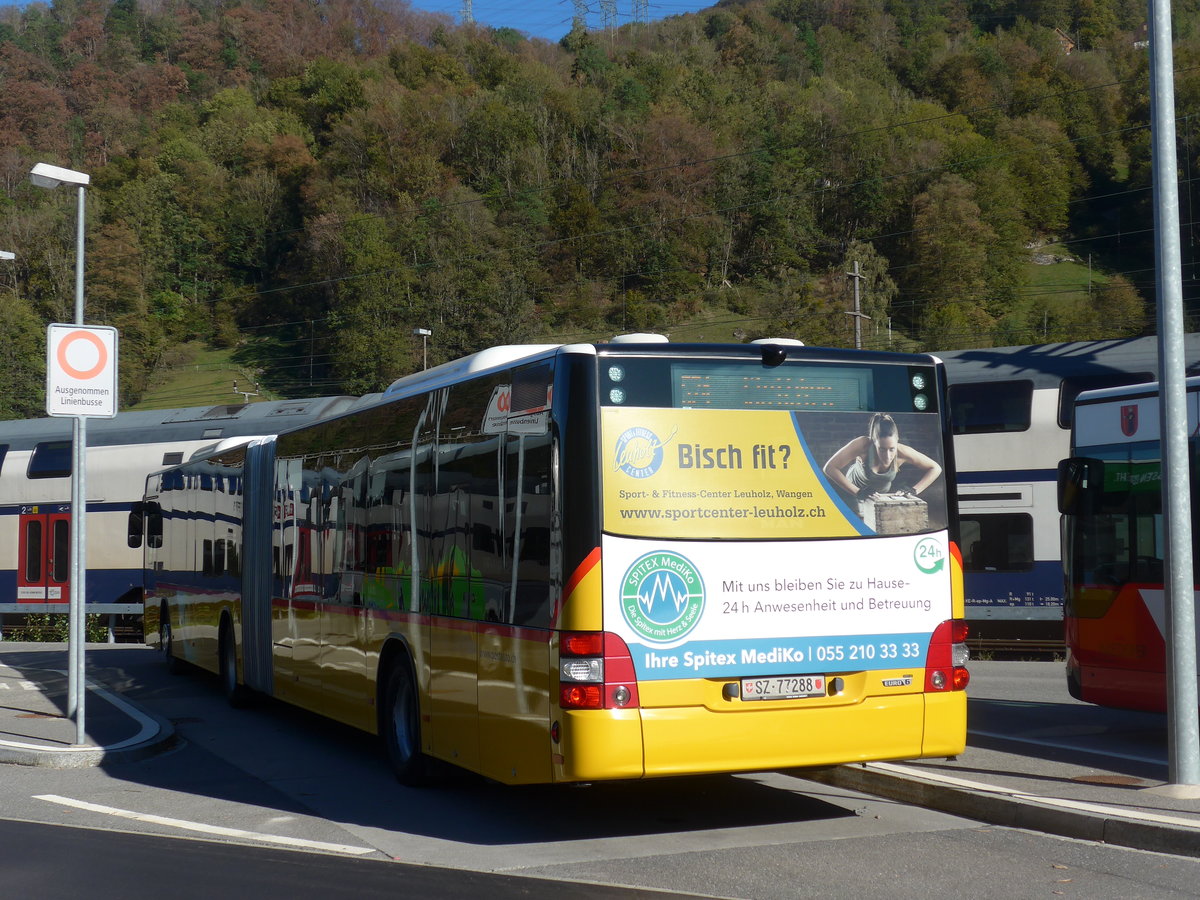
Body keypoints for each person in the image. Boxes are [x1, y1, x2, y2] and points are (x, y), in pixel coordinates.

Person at [822, 412, 942, 503]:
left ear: (897, 441)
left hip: (879, 495)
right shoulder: (863, 444)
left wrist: (914, 490)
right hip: (851, 491)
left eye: (892, 449)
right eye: (882, 449)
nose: (888, 455)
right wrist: (858, 492)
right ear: (874, 442)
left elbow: (935, 468)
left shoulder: (903, 452)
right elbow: (830, 468)